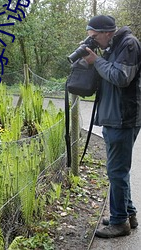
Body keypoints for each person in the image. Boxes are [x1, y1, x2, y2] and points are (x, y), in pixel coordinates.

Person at [83, 15, 141, 238]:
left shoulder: (129, 44)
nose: (94, 41)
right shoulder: (112, 46)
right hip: (113, 117)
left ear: (107, 32)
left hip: (123, 118)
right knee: (118, 171)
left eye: (95, 37)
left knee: (116, 171)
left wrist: (96, 61)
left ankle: (119, 223)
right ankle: (128, 214)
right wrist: (93, 59)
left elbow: (120, 77)